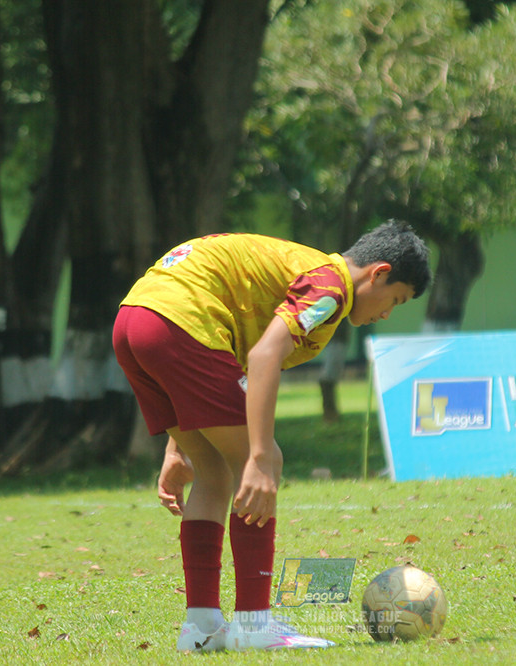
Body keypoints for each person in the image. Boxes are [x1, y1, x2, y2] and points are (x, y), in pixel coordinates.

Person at [112, 221, 431, 652]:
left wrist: (179, 446)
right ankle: (253, 623)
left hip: (135, 320)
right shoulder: (330, 289)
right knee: (258, 461)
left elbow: (236, 361)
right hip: (179, 324)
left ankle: (201, 627)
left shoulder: (303, 272)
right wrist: (261, 456)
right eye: (395, 299)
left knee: (214, 471)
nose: (387, 312)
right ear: (378, 273)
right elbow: (263, 356)